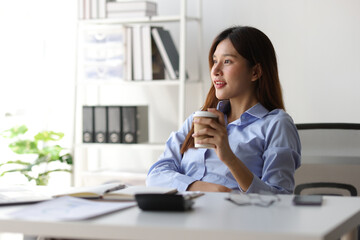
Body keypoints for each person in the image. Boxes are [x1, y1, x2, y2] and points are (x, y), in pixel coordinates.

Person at [146, 26, 301, 194]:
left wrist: (230, 158)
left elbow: (280, 199)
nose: (215, 71)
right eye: (214, 61)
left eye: (227, 61)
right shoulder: (198, 119)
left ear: (255, 72)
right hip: (186, 213)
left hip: (236, 217)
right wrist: (210, 189)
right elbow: (156, 175)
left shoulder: (276, 124)